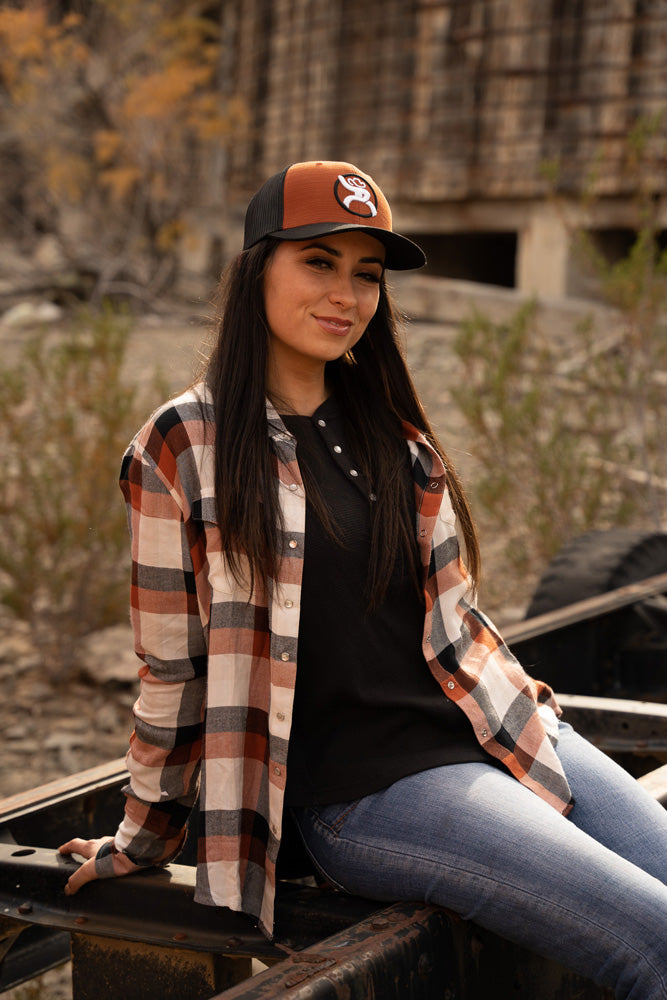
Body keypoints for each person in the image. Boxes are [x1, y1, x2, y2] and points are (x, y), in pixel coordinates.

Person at [59, 160, 667, 997]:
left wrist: (530, 710)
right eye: (318, 261)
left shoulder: (391, 430)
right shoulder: (184, 445)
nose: (345, 293)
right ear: (255, 268)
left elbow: (455, 624)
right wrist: (141, 839)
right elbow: (174, 669)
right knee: (653, 941)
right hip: (365, 791)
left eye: (366, 274)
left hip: (495, 731)